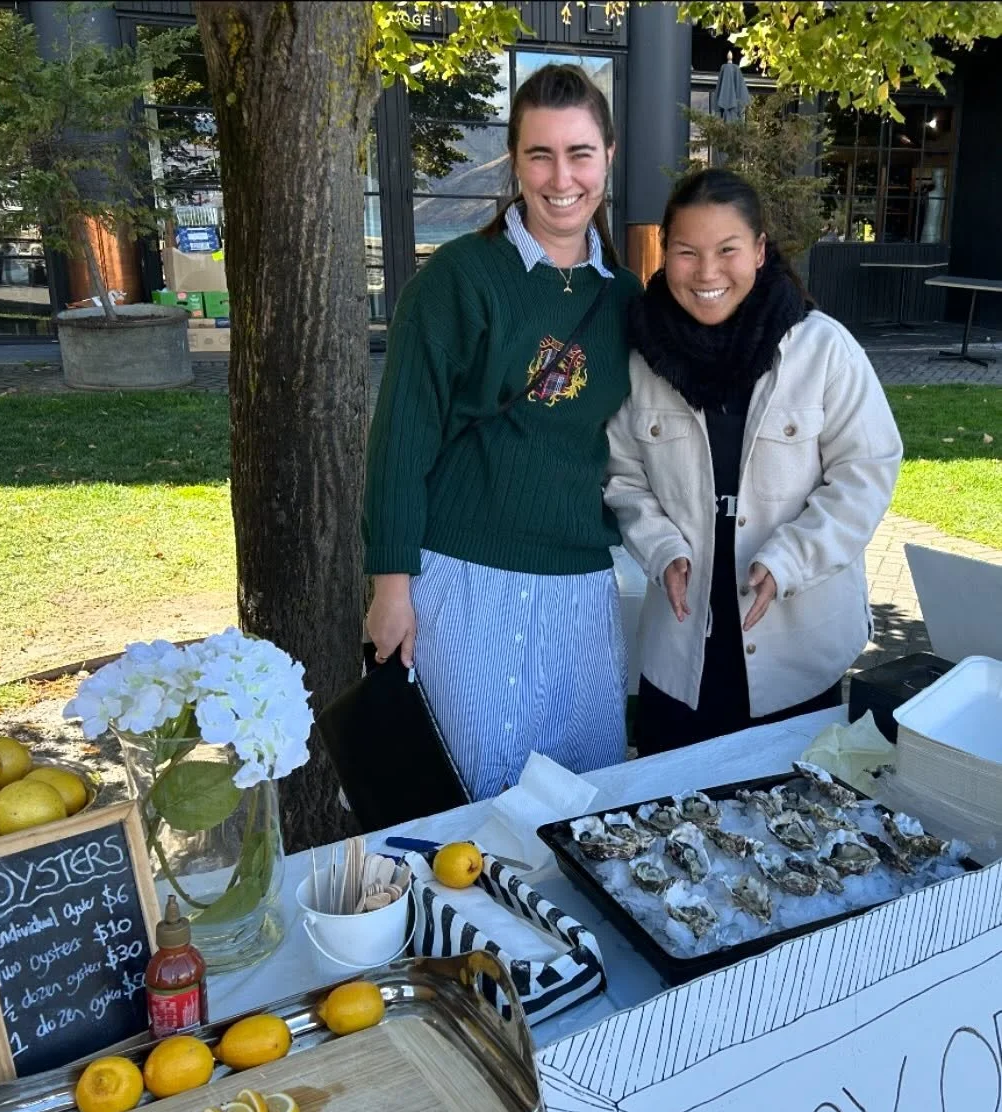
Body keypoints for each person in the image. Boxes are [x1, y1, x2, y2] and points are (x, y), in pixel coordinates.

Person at [362, 64, 641, 800]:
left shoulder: (626, 300)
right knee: (469, 803)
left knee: (583, 803)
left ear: (608, 155)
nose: (561, 178)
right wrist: (392, 588)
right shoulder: (460, 279)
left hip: (580, 586)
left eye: (579, 153)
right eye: (539, 155)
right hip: (467, 577)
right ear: (514, 162)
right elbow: (400, 442)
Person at [604, 169, 902, 756]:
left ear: (760, 251)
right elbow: (623, 476)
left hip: (797, 656)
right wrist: (661, 547)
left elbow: (866, 470)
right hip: (681, 653)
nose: (708, 272)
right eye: (688, 252)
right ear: (666, 253)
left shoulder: (823, 349)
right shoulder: (642, 361)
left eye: (727, 250)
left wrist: (792, 557)